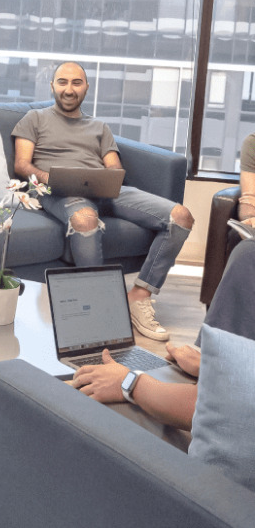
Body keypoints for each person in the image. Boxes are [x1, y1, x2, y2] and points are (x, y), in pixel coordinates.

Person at [13, 61, 194, 342]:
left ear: (86, 88)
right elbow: (22, 165)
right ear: (52, 86)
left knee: (180, 217)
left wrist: (106, 179)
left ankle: (139, 295)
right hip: (59, 190)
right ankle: (96, 308)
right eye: (63, 82)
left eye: (76, 83)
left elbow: (114, 169)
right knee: (85, 219)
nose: (69, 89)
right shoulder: (34, 119)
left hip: (106, 190)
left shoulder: (99, 127)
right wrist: (49, 177)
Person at [69, 237, 255, 430]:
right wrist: (211, 367)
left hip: (211, 451)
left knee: (93, 414)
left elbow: (213, 412)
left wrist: (129, 382)